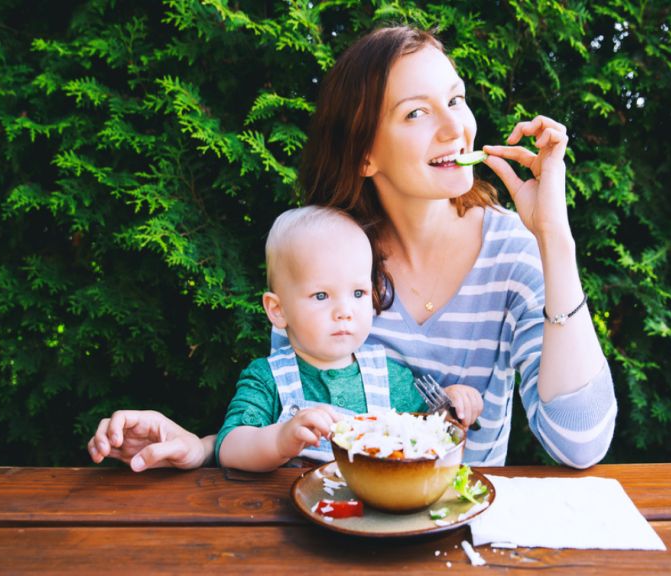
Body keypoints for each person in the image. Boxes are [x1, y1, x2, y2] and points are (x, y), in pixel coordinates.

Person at [88, 25, 616, 471]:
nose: (457, 127)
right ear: (365, 155)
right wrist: (202, 447)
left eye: (455, 99)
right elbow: (288, 424)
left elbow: (579, 444)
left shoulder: (514, 252)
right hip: (331, 535)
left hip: (455, 547)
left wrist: (554, 237)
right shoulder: (324, 252)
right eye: (416, 113)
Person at [88, 206, 481, 472]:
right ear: (278, 310)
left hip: (376, 516)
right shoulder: (268, 377)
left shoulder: (389, 375)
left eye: (359, 293)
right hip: (288, 521)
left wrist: (454, 406)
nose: (345, 310)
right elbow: (230, 445)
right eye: (322, 296)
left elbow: (426, 432)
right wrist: (281, 438)